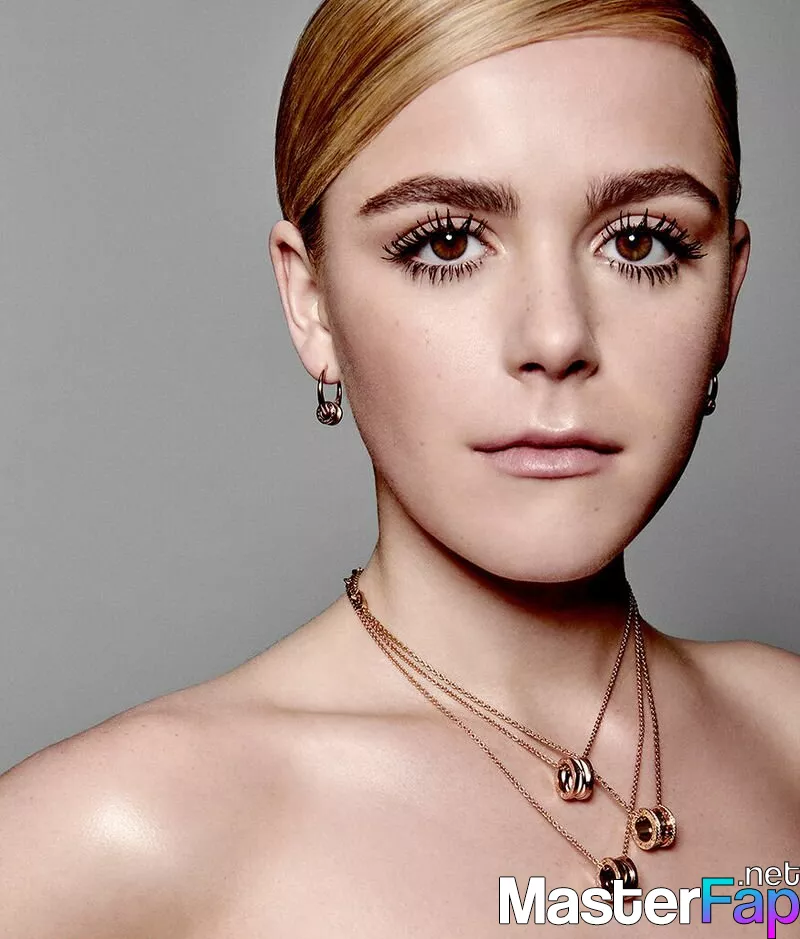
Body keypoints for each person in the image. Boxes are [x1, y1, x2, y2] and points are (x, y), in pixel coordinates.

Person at [1, 0, 798, 935]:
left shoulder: (787, 735)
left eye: (640, 242)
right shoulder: (114, 832)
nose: (556, 338)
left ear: (727, 295)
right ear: (312, 300)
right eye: (447, 243)